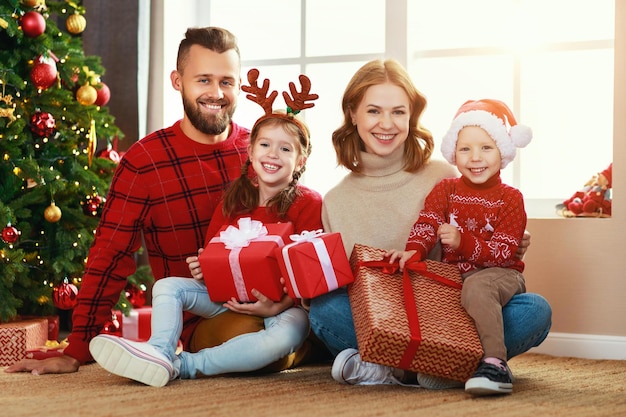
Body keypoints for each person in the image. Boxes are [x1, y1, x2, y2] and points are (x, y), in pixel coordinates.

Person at [5, 27, 253, 375]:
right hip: (208, 317)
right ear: (178, 81)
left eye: (227, 81)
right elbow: (110, 254)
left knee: (309, 325)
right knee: (258, 342)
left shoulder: (262, 149)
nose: (216, 93)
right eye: (204, 80)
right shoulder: (144, 161)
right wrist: (78, 348)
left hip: (276, 302)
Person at [308, 59, 552, 389]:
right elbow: (345, 288)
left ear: (411, 116)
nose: (387, 123)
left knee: (533, 310)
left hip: (451, 313)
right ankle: (435, 367)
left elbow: (482, 237)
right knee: (324, 309)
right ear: (353, 113)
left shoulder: (443, 175)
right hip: (386, 318)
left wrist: (504, 240)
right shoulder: (335, 201)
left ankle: (395, 367)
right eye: (374, 111)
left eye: (398, 112)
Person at [87, 69, 322, 387]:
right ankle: (159, 351)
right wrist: (203, 268)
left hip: (281, 307)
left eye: (285, 149)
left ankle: (183, 366)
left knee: (282, 340)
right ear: (250, 151)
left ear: (301, 161)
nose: (273, 155)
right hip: (224, 298)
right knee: (168, 286)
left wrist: (279, 304)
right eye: (265, 144)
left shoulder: (309, 204)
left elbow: (312, 278)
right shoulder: (234, 200)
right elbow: (214, 254)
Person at [385, 99, 532, 395]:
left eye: (486, 148)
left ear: (502, 151)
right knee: (427, 295)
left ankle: (496, 364)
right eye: (465, 149)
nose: (475, 158)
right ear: (454, 152)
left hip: (499, 275)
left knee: (478, 289)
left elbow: (504, 254)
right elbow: (427, 223)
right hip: (456, 277)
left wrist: (463, 241)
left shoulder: (511, 198)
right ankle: (419, 366)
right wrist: (413, 251)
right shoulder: (445, 190)